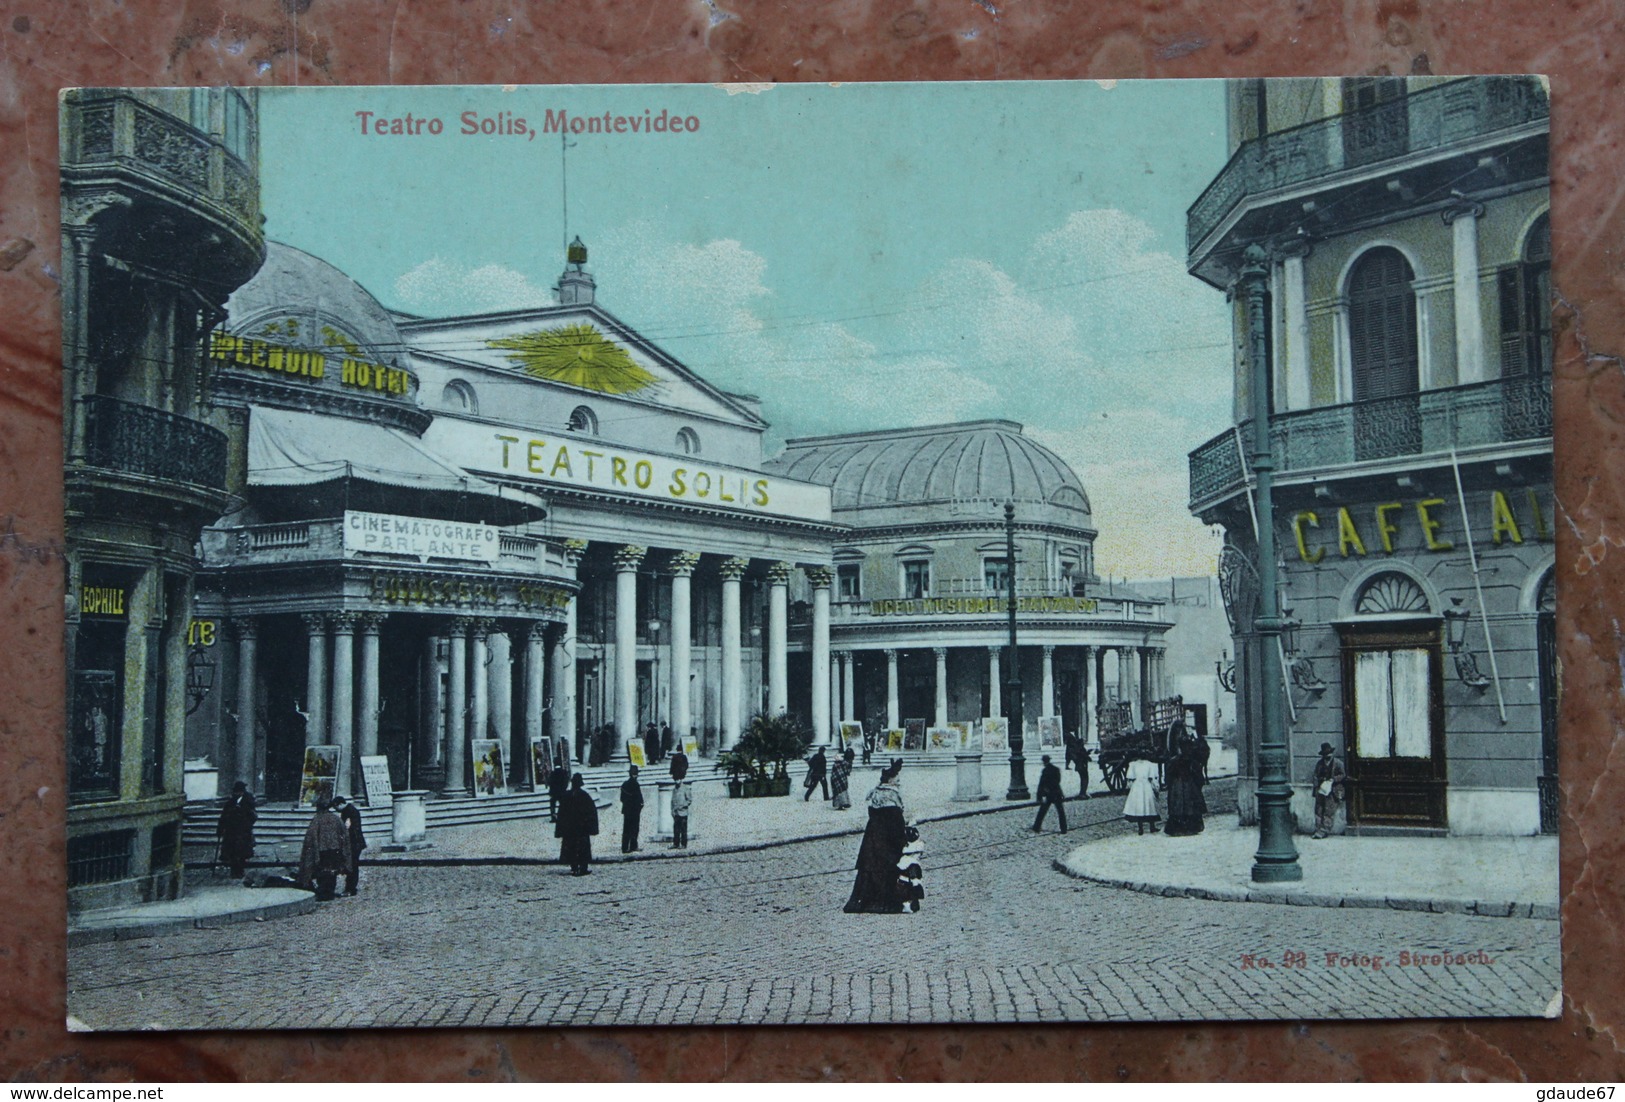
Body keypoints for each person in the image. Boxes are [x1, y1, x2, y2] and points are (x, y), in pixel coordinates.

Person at [844, 759, 911, 913]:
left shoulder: (876, 792)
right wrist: (902, 838)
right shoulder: (892, 796)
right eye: (897, 779)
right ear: (891, 780)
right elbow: (896, 821)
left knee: (869, 868)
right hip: (887, 838)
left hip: (872, 836)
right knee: (887, 866)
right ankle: (883, 902)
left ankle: (863, 901)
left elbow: (872, 814)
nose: (899, 782)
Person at [297, 797, 353, 901]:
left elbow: (311, 837)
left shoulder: (317, 820)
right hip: (335, 850)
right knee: (332, 872)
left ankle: (324, 893)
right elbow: (344, 835)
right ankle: (329, 892)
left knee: (322, 872)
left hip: (322, 851)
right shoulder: (336, 819)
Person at [1163, 724, 1210, 837]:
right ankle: (1190, 828)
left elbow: (1169, 774)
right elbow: (1198, 774)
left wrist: (1169, 784)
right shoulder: (1192, 761)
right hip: (1189, 784)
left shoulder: (1175, 760)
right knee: (1190, 805)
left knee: (1178, 806)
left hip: (1177, 785)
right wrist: (1199, 784)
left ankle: (1178, 828)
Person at [555, 774, 599, 875]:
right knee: (583, 848)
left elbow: (561, 813)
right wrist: (590, 825)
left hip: (570, 828)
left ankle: (574, 866)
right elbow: (591, 811)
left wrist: (561, 828)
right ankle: (583, 867)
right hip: (582, 828)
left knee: (571, 847)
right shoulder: (584, 796)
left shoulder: (566, 796)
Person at [215, 781, 257, 880]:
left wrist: (247, 824)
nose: (237, 794)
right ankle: (234, 871)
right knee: (232, 852)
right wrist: (220, 829)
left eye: (239, 792)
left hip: (243, 831)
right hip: (231, 832)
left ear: (242, 792)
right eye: (236, 792)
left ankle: (240, 870)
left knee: (242, 852)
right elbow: (223, 817)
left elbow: (253, 816)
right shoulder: (230, 803)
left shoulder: (248, 802)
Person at [331, 795, 368, 895]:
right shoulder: (349, 810)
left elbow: (350, 829)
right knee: (352, 865)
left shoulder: (349, 812)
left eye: (336, 807)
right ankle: (350, 888)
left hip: (354, 843)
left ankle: (351, 889)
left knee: (352, 866)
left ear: (340, 804)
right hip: (355, 843)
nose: (336, 810)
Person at [1311, 741, 1347, 839]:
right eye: (1325, 754)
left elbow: (1343, 775)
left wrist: (1333, 780)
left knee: (1328, 811)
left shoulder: (1338, 763)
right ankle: (1318, 829)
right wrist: (1316, 787)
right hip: (1321, 790)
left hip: (1333, 790)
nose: (1328, 756)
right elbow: (1315, 776)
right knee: (1318, 810)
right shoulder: (1319, 764)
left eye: (1329, 754)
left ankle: (1324, 830)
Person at [1123, 751, 1161, 835]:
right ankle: (1152, 826)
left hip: (1137, 787)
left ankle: (1140, 829)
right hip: (1146, 786)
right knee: (1150, 806)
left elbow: (1130, 778)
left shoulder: (1133, 764)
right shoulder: (1150, 765)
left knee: (1139, 807)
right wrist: (1156, 789)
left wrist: (1129, 788)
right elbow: (1152, 779)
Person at [1030, 754, 1068, 834]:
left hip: (1049, 793)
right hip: (1056, 792)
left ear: (1043, 761)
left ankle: (1036, 827)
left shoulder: (1045, 770)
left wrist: (1039, 796)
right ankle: (1063, 828)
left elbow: (1041, 784)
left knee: (1042, 810)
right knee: (1060, 811)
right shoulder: (1056, 769)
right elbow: (1058, 782)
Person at [620, 765, 645, 853]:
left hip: (627, 810)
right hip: (634, 810)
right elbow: (639, 798)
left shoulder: (624, 784)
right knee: (634, 829)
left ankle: (625, 847)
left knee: (626, 829)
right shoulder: (635, 784)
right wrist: (640, 806)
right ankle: (633, 846)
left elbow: (622, 799)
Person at [670, 773, 692, 849]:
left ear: (681, 779)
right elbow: (672, 801)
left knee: (683, 829)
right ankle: (676, 843)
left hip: (683, 812)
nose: (677, 781)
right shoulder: (674, 790)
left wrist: (683, 805)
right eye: (675, 780)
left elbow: (689, 800)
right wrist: (672, 810)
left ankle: (683, 844)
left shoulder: (685, 788)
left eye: (678, 779)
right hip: (676, 813)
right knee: (676, 829)